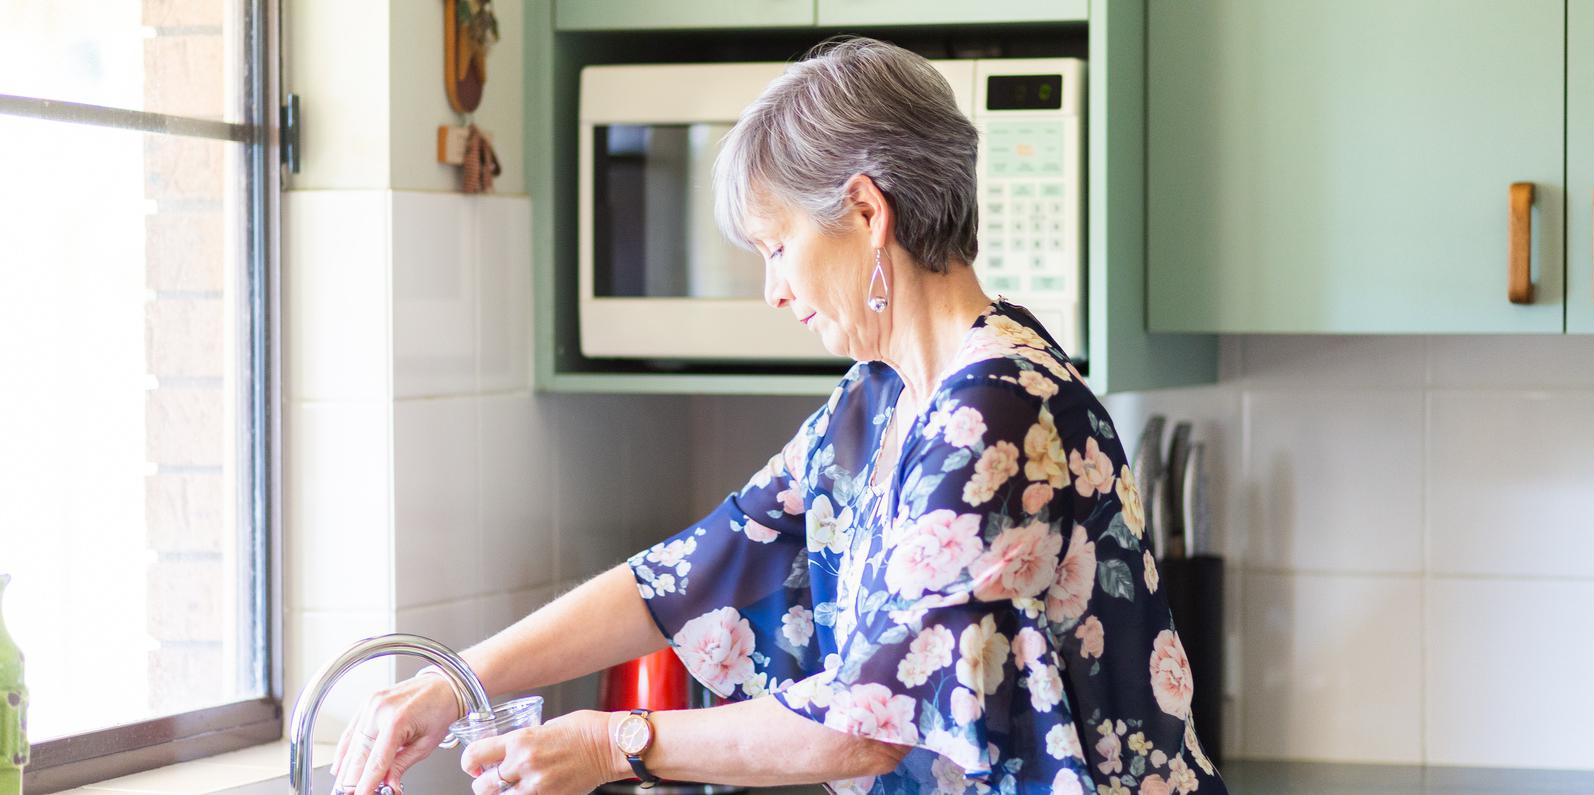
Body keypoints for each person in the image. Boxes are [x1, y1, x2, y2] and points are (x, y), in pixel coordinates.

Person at [330, 36, 1226, 795]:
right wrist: (454, 682)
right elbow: (692, 569)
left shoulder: (996, 412)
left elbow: (865, 726)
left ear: (868, 212)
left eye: (778, 246)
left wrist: (615, 741)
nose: (773, 289)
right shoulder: (885, 396)